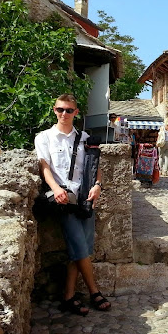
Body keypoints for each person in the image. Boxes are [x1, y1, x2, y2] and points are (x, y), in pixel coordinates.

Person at [34, 94, 111, 316]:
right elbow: (44, 167)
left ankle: (68, 297)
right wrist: (56, 189)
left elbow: (96, 165)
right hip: (64, 200)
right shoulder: (45, 137)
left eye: (69, 110)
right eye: (60, 109)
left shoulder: (85, 138)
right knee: (80, 247)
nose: (64, 114)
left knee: (81, 250)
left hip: (85, 199)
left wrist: (97, 185)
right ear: (54, 110)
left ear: (76, 113)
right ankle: (94, 291)